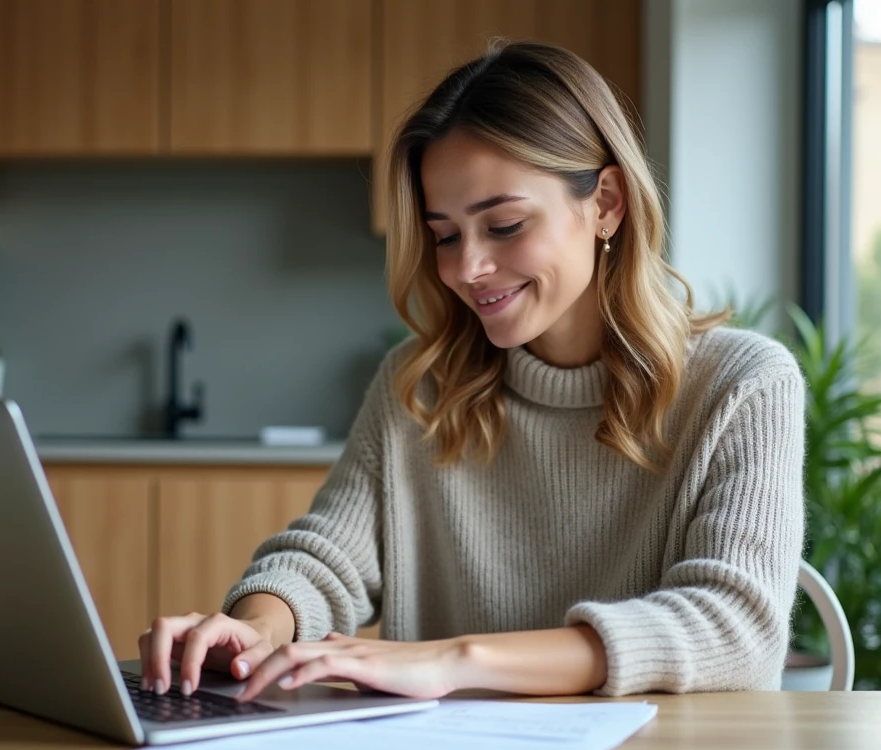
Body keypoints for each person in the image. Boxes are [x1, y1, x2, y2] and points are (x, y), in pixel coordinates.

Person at [138, 41, 806, 701]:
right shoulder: (420, 386)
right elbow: (324, 558)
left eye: (505, 225)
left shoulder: (742, 386)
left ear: (606, 203)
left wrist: (457, 660)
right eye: (446, 235)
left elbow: (735, 627)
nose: (466, 268)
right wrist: (257, 628)